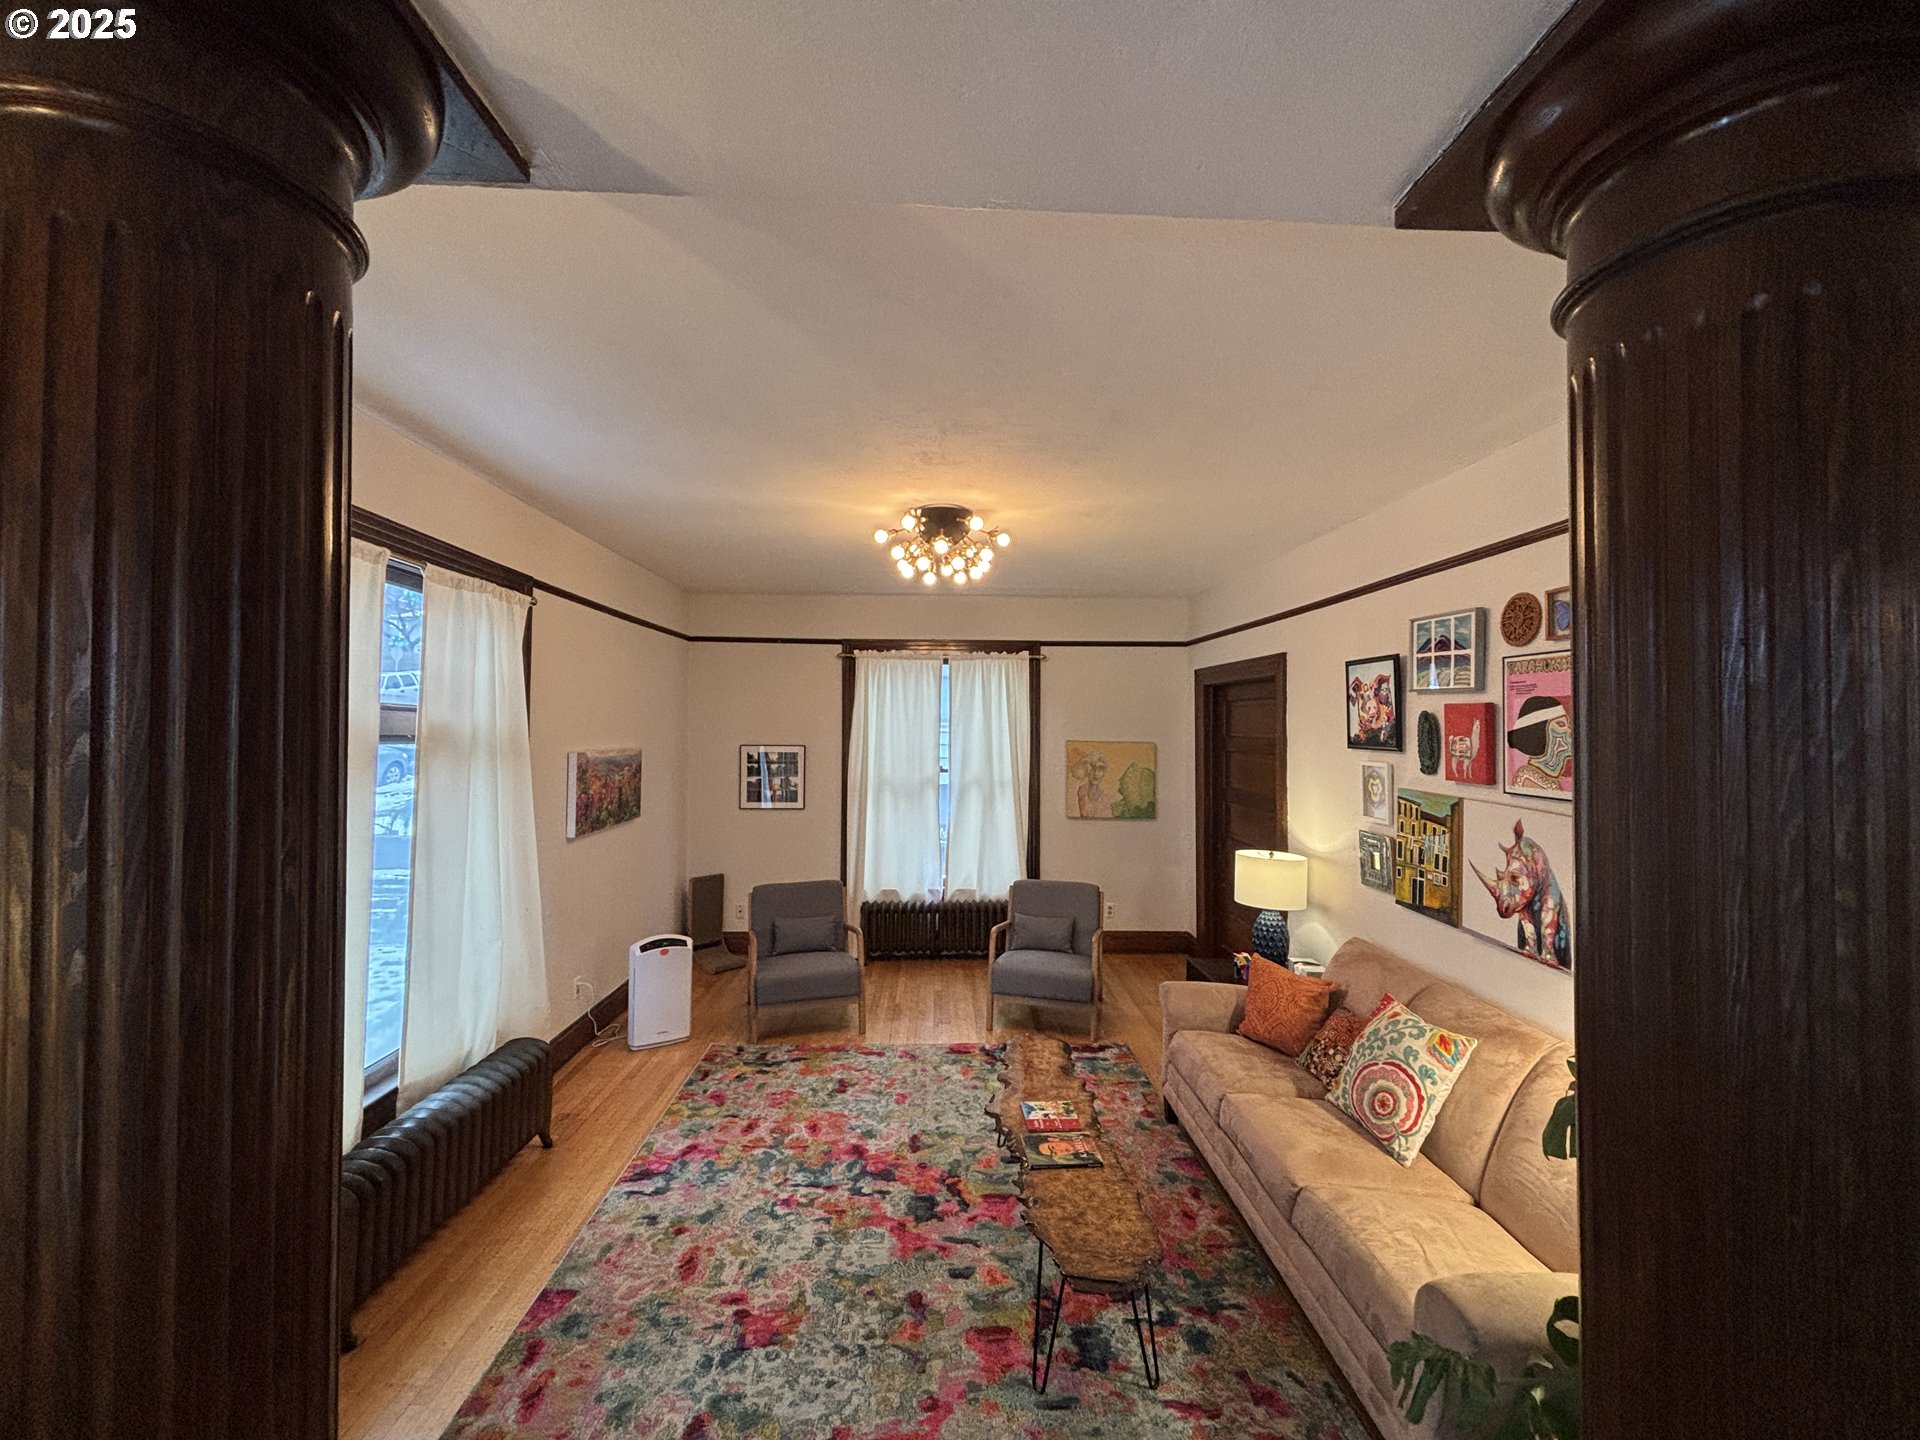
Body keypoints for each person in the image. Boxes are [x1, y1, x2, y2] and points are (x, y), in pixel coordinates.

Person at [1507, 694, 1573, 793]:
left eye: (1569, 725)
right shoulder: (1529, 779)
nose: (1570, 731)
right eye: (1561, 724)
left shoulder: (1548, 778)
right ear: (1540, 734)